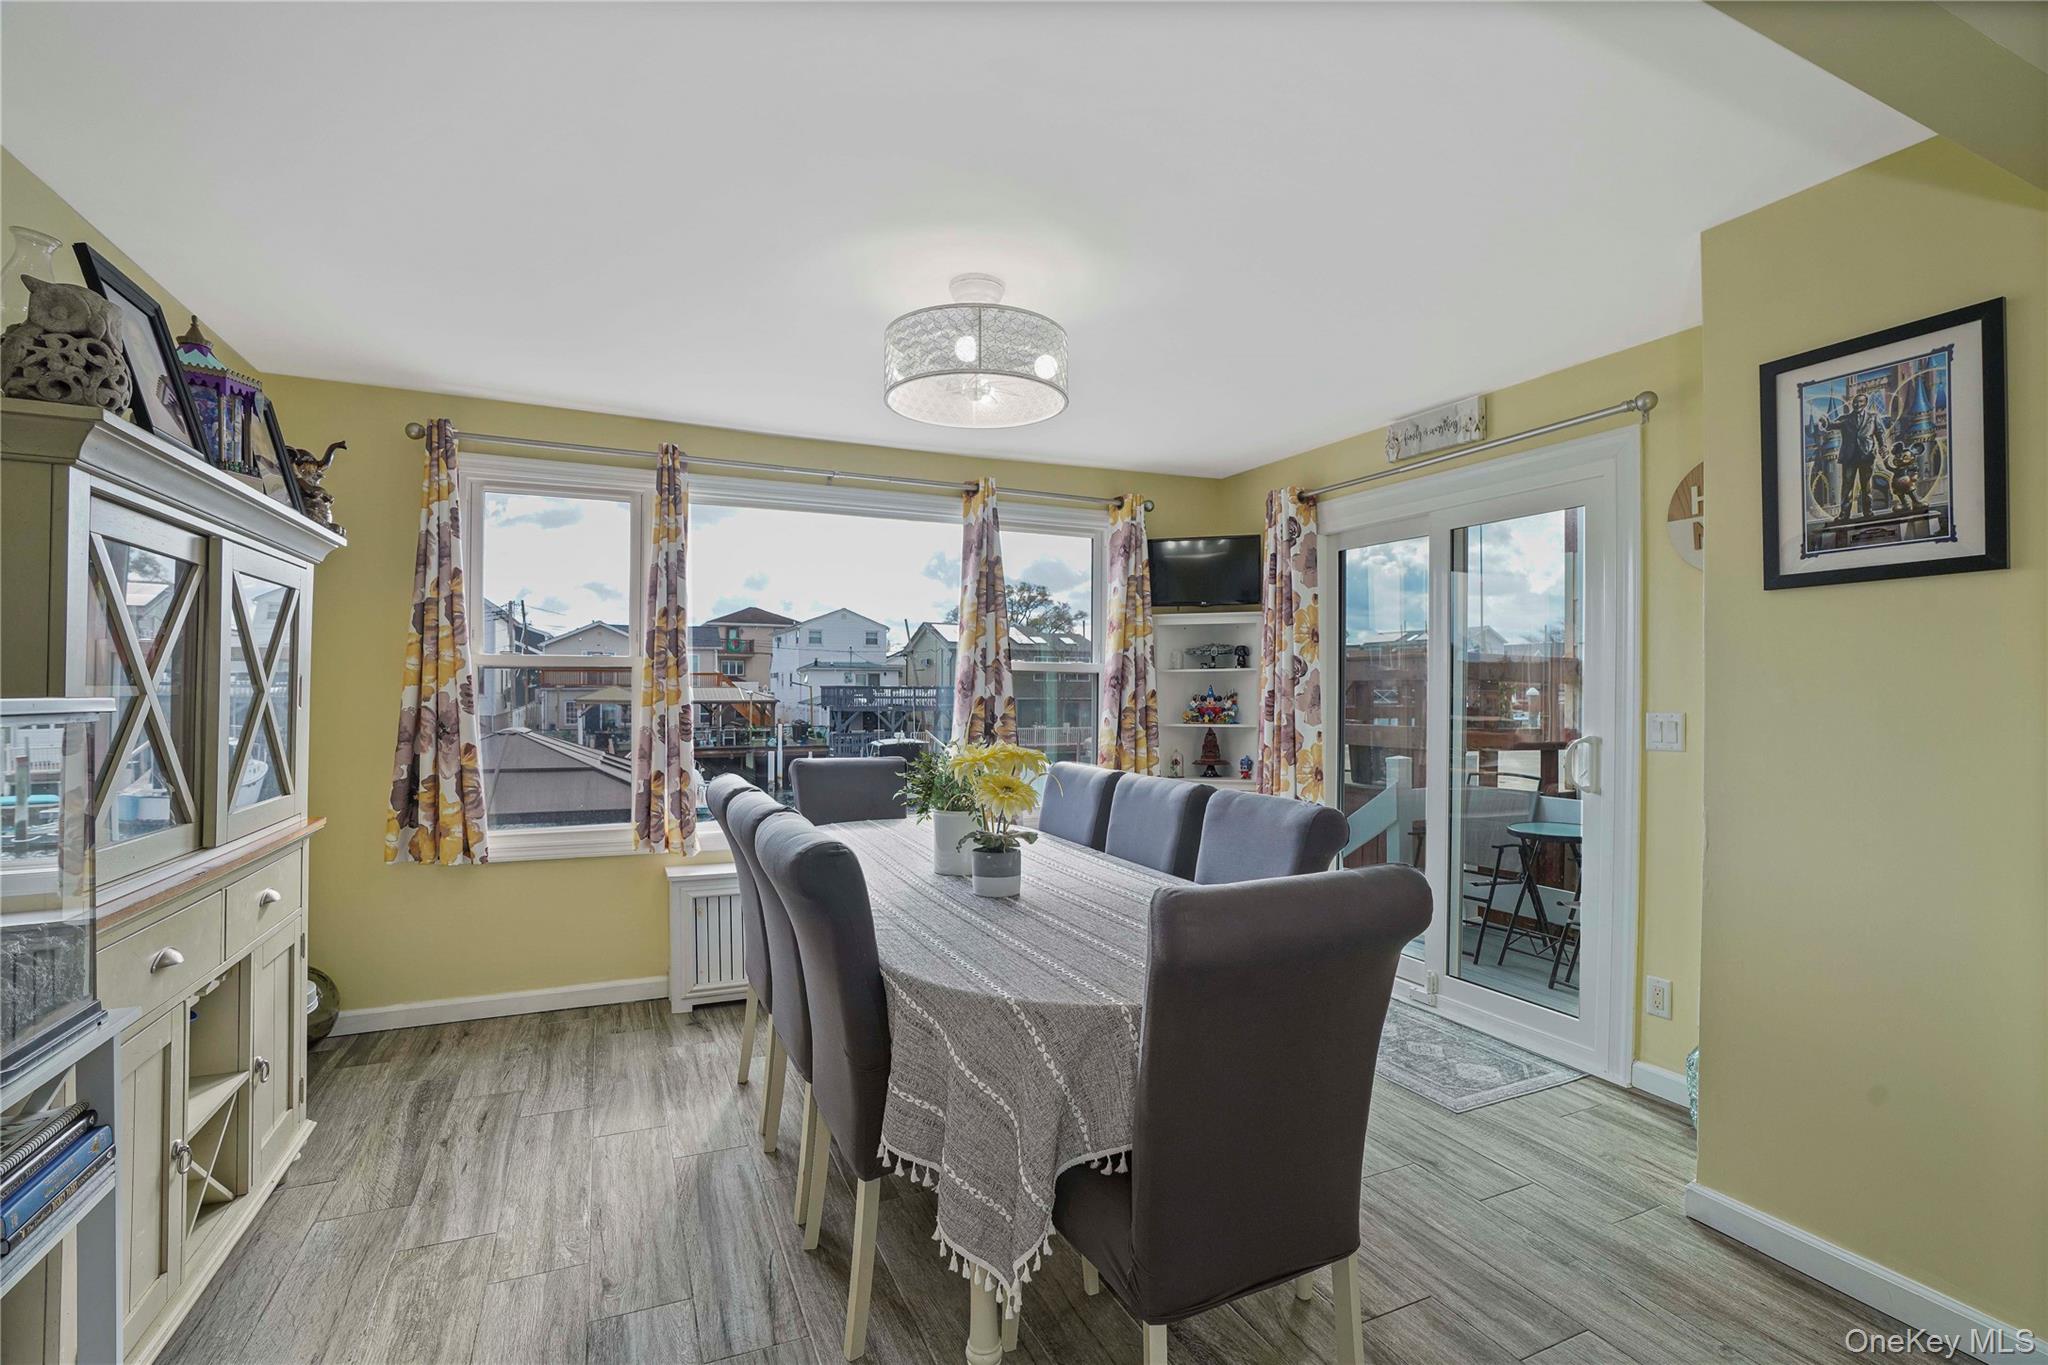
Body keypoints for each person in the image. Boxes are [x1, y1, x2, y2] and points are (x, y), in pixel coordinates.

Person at [1818, 391, 1886, 521]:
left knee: (1866, 485)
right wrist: (1825, 421)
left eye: (1860, 402)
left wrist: (1883, 446)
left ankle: (1868, 511)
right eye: (1855, 402)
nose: (1857, 404)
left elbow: (1880, 433)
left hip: (1867, 455)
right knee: (1847, 486)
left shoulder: (1874, 417)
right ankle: (1844, 514)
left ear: (1865, 403)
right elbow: (1831, 425)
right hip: (1850, 457)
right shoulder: (1845, 419)